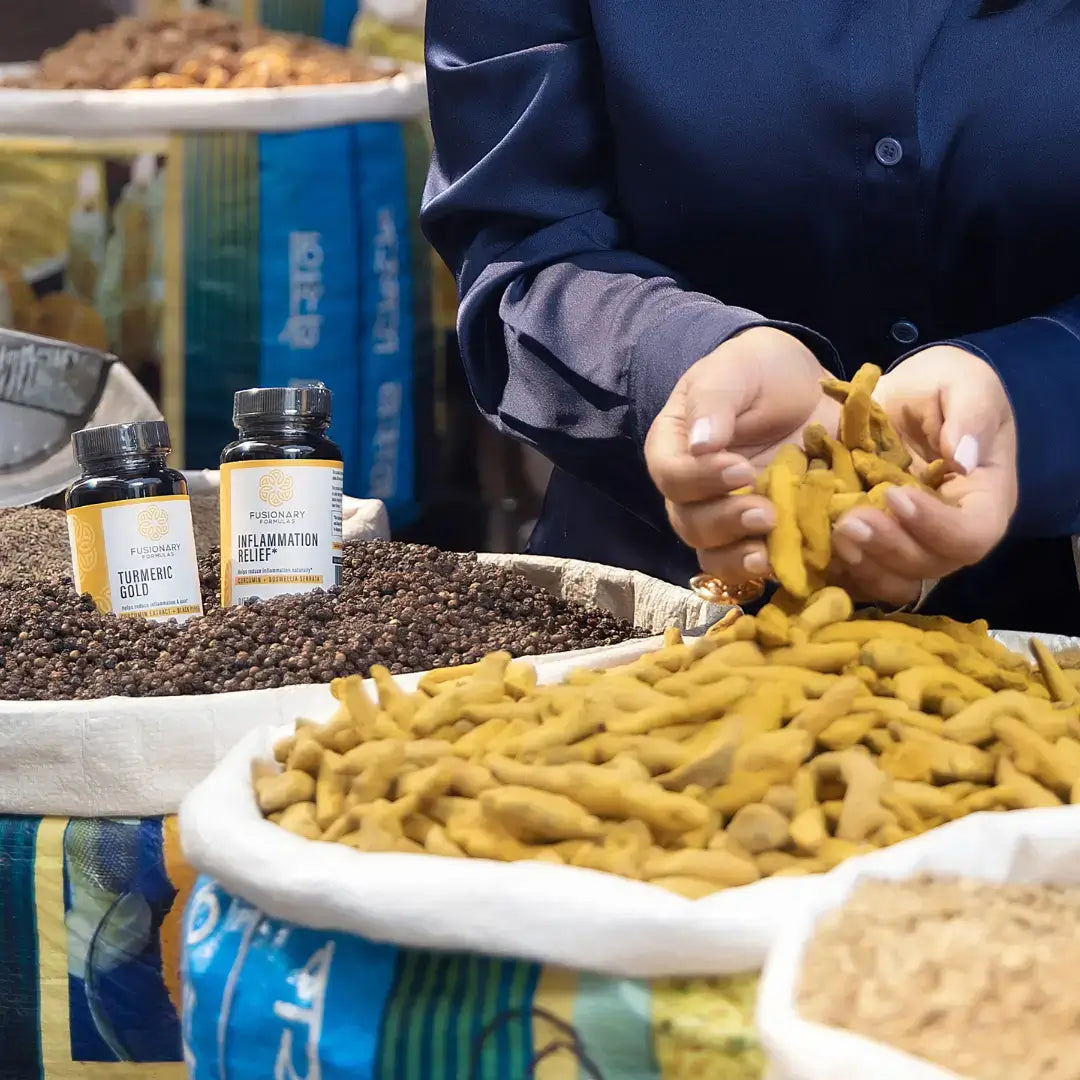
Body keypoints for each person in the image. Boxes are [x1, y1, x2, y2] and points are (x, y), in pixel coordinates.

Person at [421, 0, 1080, 634]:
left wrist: (1029, 392)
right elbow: (519, 244)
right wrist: (683, 359)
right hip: (654, 637)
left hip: (1043, 628)